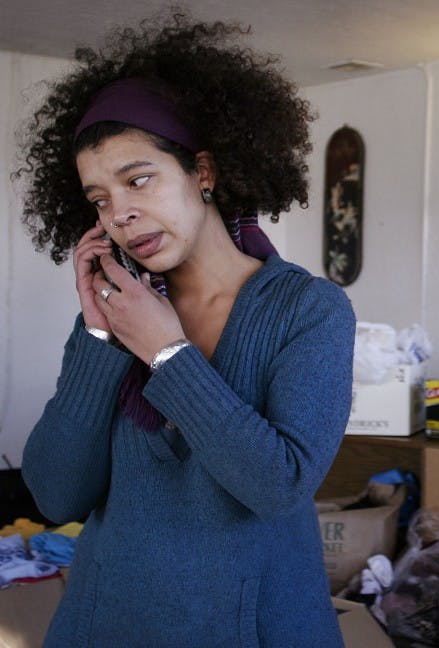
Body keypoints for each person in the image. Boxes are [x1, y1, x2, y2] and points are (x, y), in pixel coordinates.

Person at [14, 13, 355, 647]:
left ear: (203, 171)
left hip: (250, 630)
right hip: (103, 626)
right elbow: (57, 496)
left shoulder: (309, 310)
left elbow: (277, 486)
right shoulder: (116, 313)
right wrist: (97, 339)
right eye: (99, 199)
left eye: (137, 179)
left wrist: (168, 354)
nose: (121, 214)